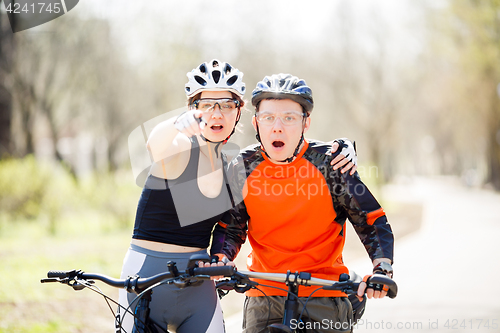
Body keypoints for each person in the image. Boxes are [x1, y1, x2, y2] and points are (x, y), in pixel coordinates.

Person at [116, 61, 357, 333]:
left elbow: (238, 221)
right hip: (148, 276)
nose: (216, 114)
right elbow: (155, 145)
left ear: (239, 112)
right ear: (192, 109)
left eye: (226, 105)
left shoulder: (233, 164)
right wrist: (176, 124)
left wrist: (343, 147)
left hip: (198, 280)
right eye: (206, 105)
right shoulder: (182, 145)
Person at [211, 73, 395, 333]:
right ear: (256, 122)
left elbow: (371, 220)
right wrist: (221, 258)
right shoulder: (242, 166)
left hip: (324, 292)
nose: (277, 127)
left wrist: (382, 268)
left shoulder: (332, 164)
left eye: (289, 118)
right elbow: (231, 226)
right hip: (265, 293)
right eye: (268, 118)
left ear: (305, 123)